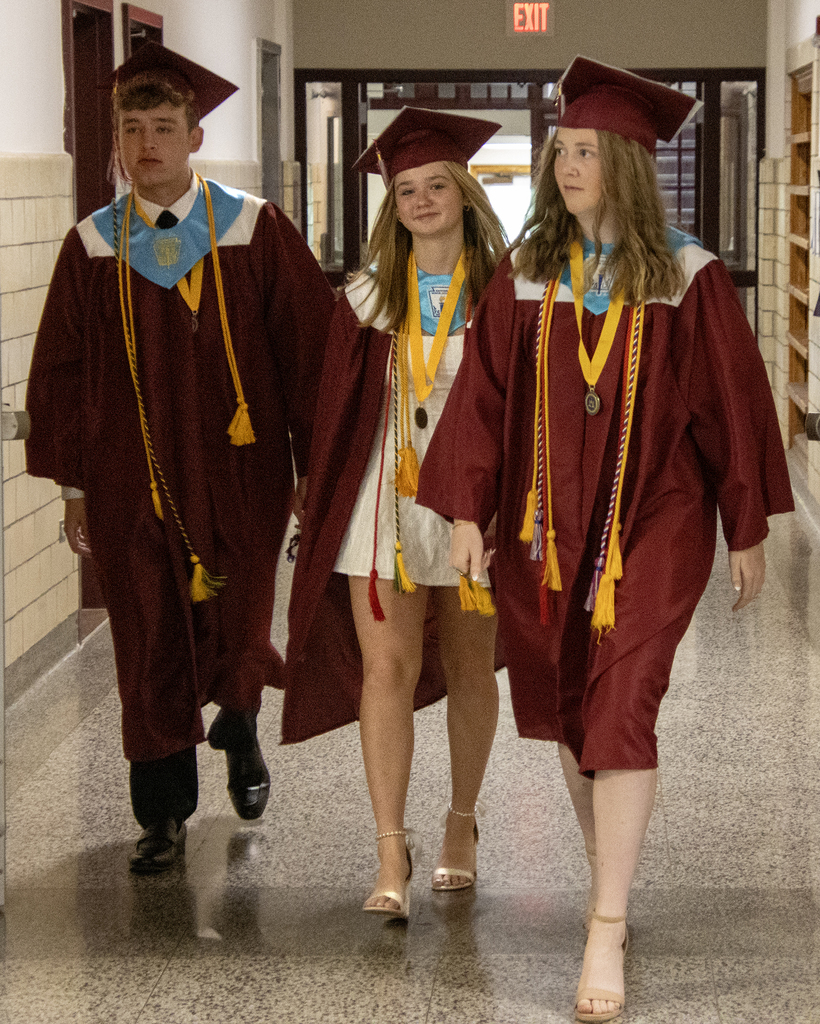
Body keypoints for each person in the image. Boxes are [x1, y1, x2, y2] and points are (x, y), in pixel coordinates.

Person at [416, 58, 794, 1021]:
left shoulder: (686, 277)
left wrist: (745, 525)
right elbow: (483, 397)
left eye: (586, 152)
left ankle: (606, 926)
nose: (566, 167)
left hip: (654, 520)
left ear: (625, 161)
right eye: (561, 151)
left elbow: (728, 404)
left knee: (624, 698)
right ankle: (604, 874)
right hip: (547, 522)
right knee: (570, 702)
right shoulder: (528, 275)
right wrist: (466, 510)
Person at [25, 43, 335, 873]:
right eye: (132, 129)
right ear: (117, 144)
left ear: (196, 137)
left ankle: (238, 728)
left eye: (165, 127)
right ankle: (160, 811)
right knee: (148, 632)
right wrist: (75, 485)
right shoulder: (92, 246)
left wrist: (313, 464)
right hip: (133, 480)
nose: (148, 144)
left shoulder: (253, 227)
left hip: (244, 470)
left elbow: (308, 350)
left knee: (238, 616)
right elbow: (58, 371)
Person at [282, 108, 507, 919]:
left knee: (473, 667)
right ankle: (388, 850)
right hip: (383, 497)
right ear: (391, 205)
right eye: (405, 189)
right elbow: (332, 409)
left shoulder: (505, 293)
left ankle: (461, 823)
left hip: (472, 508)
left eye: (435, 185)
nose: (421, 200)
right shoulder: (368, 295)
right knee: (387, 670)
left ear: (465, 194)